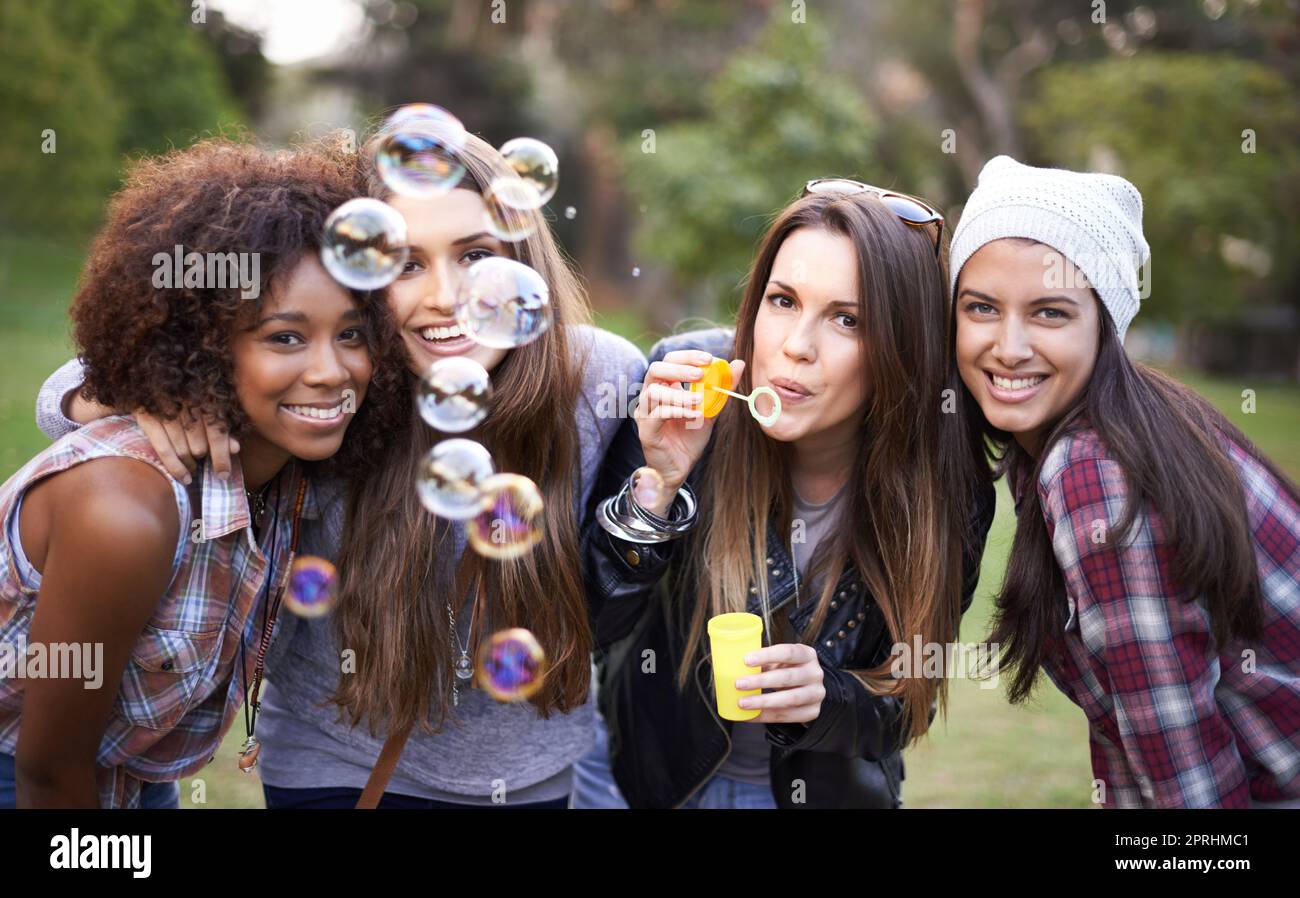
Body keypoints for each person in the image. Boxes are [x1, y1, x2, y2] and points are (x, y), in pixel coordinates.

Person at [37, 117, 647, 808]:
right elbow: (65, 388)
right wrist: (169, 397)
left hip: (530, 768)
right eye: (407, 264)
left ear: (524, 263)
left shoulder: (595, 378)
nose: (447, 297)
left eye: (476, 255)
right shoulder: (331, 388)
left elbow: (614, 588)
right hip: (337, 760)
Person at [2, 136, 404, 807]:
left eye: (354, 334)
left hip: (134, 774)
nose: (333, 371)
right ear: (203, 344)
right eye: (285, 336)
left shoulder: (289, 467)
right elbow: (48, 769)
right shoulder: (127, 511)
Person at [576, 180, 995, 808]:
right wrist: (658, 487)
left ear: (903, 347)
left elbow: (907, 704)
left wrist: (830, 700)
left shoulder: (945, 482)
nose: (795, 347)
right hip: (643, 783)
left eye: (846, 319)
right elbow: (588, 626)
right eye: (782, 301)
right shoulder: (689, 391)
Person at [950, 155, 1300, 808]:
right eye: (981, 308)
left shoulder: (1098, 473)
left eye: (1050, 313)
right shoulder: (1092, 434)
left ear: (1104, 327)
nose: (1009, 345)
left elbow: (1188, 791)